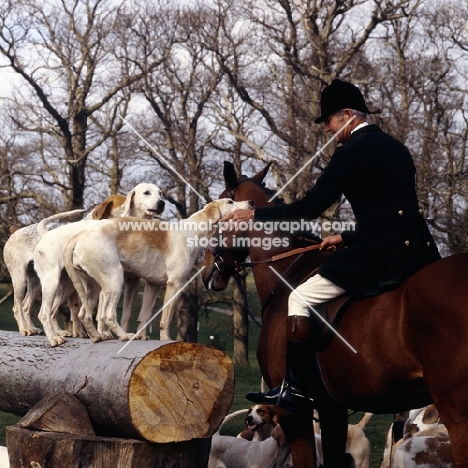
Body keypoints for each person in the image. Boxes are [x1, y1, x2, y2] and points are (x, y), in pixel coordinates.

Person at [220, 79, 440, 413]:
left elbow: (308, 207)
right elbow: (393, 214)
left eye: (329, 120)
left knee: (299, 296)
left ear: (349, 115)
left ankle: (292, 388)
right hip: (419, 250)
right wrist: (346, 236)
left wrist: (253, 213)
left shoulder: (349, 152)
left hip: (380, 256)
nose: (325, 128)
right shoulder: (397, 147)